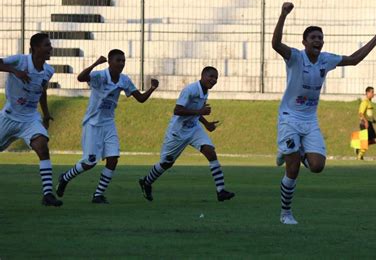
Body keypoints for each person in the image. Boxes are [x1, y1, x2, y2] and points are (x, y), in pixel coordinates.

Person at [272, 2, 376, 224]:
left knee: (317, 166)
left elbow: (354, 60)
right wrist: (283, 14)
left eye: (320, 37)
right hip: (289, 118)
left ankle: (291, 149)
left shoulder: (327, 59)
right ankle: (285, 213)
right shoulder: (296, 57)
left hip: (309, 120)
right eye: (313, 37)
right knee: (293, 168)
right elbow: (276, 43)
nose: (318, 40)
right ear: (304, 42)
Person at [55, 49, 159, 204]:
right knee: (89, 162)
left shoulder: (124, 80)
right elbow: (81, 77)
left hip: (108, 123)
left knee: (113, 159)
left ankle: (98, 195)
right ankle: (65, 177)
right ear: (109, 62)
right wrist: (96, 63)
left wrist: (152, 88)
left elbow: (140, 99)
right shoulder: (100, 76)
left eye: (123, 60)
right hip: (93, 123)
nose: (121, 63)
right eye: (118, 60)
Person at [139, 66, 235, 202]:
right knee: (166, 163)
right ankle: (146, 182)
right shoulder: (190, 90)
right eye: (211, 76)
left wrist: (206, 123)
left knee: (210, 152)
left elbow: (196, 110)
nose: (213, 80)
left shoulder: (205, 90)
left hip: (194, 128)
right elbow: (177, 110)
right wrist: (199, 112)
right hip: (178, 131)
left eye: (216, 78)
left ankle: (221, 191)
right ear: (202, 75)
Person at [0, 33, 62, 206]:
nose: (50, 48)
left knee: (42, 147)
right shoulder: (20, 60)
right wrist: (14, 71)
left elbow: (42, 91)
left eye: (50, 45)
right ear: (35, 48)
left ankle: (48, 195)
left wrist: (46, 113)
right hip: (9, 116)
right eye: (47, 45)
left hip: (30, 119)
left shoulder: (49, 71)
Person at [356, 86, 376, 160]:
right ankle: (360, 156)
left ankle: (359, 147)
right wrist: (365, 122)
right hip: (365, 123)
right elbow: (360, 113)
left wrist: (373, 119)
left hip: (369, 123)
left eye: (373, 92)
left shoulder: (369, 102)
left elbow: (369, 113)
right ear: (367, 93)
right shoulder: (364, 102)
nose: (373, 94)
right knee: (366, 141)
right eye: (372, 92)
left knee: (375, 140)